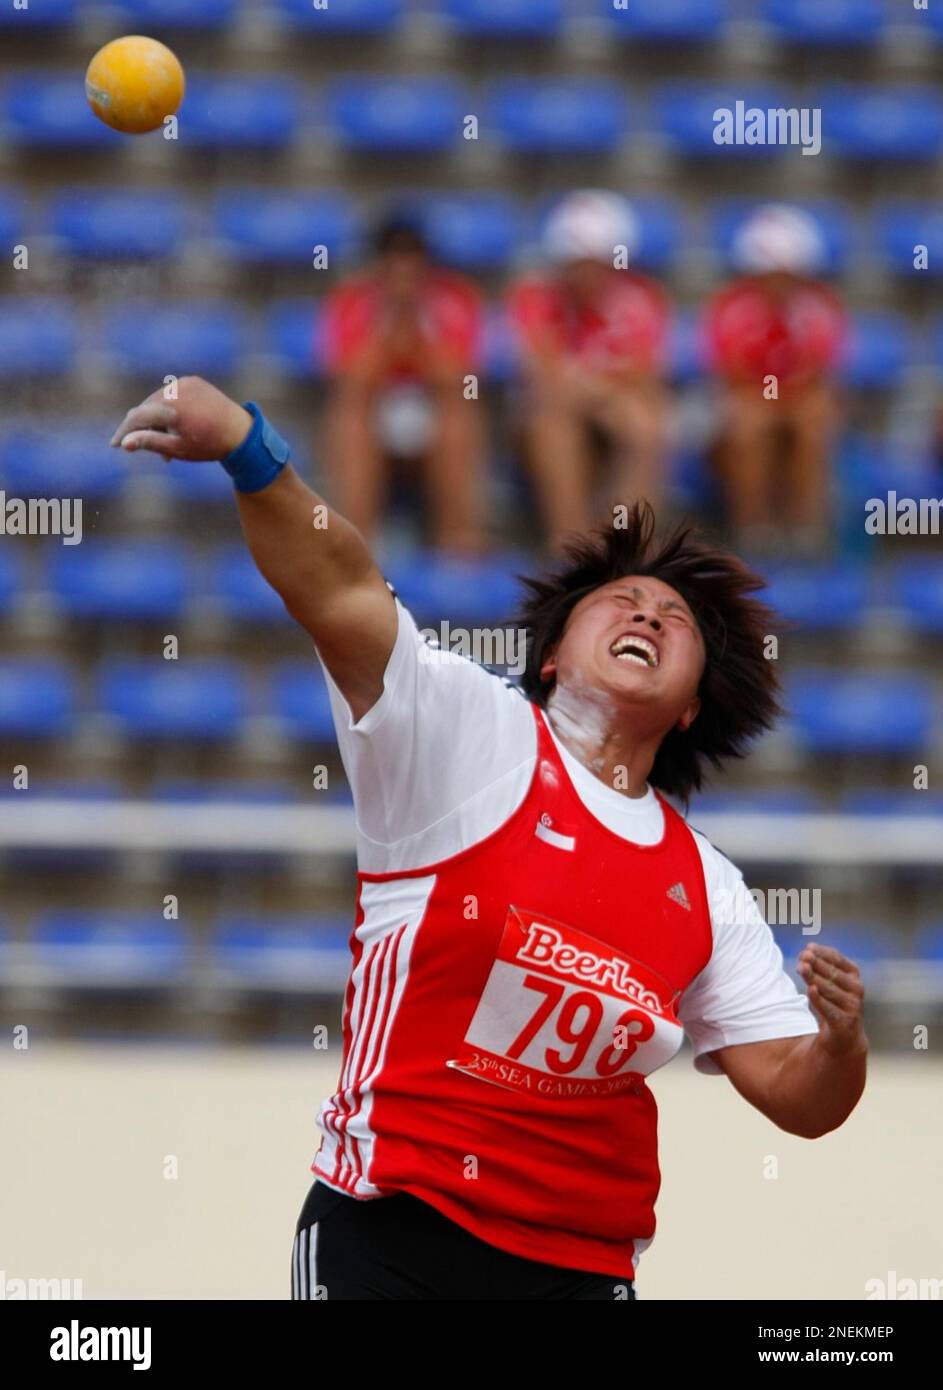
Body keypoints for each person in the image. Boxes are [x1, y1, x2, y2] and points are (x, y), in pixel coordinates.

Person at [111, 378, 869, 1301]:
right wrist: (248, 448)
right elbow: (340, 586)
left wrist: (837, 1046)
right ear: (549, 654)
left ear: (692, 707)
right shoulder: (466, 728)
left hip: (580, 1269)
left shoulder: (706, 886)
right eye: (623, 601)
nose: (647, 616)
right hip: (394, 1230)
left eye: (674, 621)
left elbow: (799, 1097)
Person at [509, 190, 672, 550]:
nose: (585, 275)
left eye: (595, 263)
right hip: (550, 416)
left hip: (608, 410)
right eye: (576, 264)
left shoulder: (641, 299)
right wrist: (603, 391)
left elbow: (645, 375)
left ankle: (630, 544)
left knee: (644, 424)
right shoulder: (535, 297)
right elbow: (543, 376)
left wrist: (598, 394)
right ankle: (570, 545)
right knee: (554, 421)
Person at [321, 212, 485, 553]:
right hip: (375, 414)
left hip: (432, 412)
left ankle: (458, 540)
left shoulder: (455, 298)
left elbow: (461, 376)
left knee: (459, 409)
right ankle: (357, 541)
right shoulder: (352, 300)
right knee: (350, 411)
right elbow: (353, 376)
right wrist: (392, 333)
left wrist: (414, 340)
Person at [704, 203, 847, 554]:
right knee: (749, 423)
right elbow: (733, 373)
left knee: (814, 419)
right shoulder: (731, 307)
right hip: (751, 400)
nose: (778, 284)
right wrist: (774, 399)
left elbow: (820, 370)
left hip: (796, 400)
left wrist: (785, 399)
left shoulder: (820, 306)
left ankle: (804, 529)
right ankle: (754, 527)